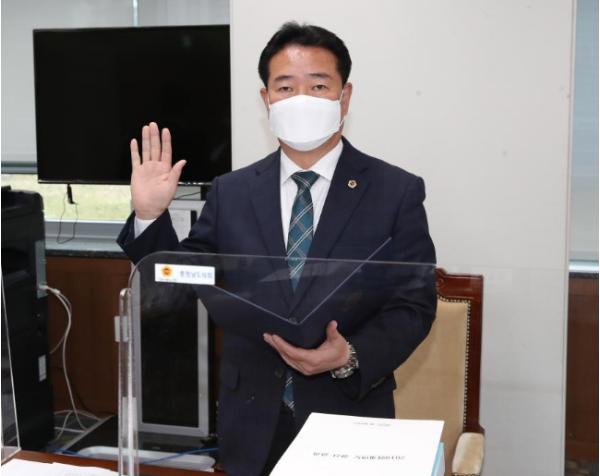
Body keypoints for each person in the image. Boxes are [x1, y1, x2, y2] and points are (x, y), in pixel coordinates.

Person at [118, 22, 436, 476]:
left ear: (344, 97)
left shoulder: (395, 191)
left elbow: (413, 304)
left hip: (349, 414)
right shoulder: (232, 191)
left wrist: (350, 354)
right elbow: (184, 279)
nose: (301, 99)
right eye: (285, 87)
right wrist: (151, 217)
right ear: (266, 99)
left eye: (318, 85)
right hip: (250, 423)